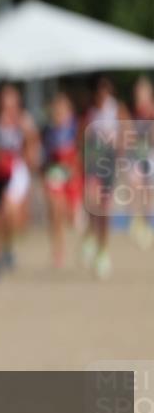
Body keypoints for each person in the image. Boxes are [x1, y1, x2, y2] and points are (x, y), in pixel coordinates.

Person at [0, 83, 39, 279]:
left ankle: (7, 248)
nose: (8, 104)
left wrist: (30, 159)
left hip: (15, 171)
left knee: (7, 209)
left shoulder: (23, 120)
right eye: (5, 99)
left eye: (11, 99)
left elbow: (32, 143)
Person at [81, 74, 128, 279]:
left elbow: (127, 131)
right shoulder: (91, 112)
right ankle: (92, 235)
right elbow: (82, 136)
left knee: (104, 208)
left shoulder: (116, 109)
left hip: (108, 161)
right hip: (94, 160)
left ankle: (103, 250)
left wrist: (119, 151)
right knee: (92, 201)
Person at [40, 91, 80, 268]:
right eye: (56, 109)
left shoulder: (75, 127)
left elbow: (80, 151)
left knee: (70, 217)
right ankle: (58, 250)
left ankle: (82, 238)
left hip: (71, 174)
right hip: (54, 173)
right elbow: (44, 155)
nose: (59, 112)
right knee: (55, 210)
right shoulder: (48, 130)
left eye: (62, 109)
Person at [128, 75, 154, 250]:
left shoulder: (151, 110)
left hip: (150, 154)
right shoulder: (134, 111)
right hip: (138, 155)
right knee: (136, 186)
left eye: (142, 91)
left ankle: (146, 222)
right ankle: (140, 222)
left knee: (148, 190)